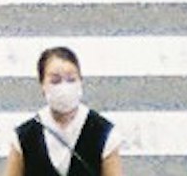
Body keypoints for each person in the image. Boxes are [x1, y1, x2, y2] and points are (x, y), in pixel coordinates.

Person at [12, 45, 123, 174]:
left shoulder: (104, 133)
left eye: (71, 79)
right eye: (55, 80)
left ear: (80, 81)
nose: (64, 87)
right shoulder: (24, 137)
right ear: (42, 84)